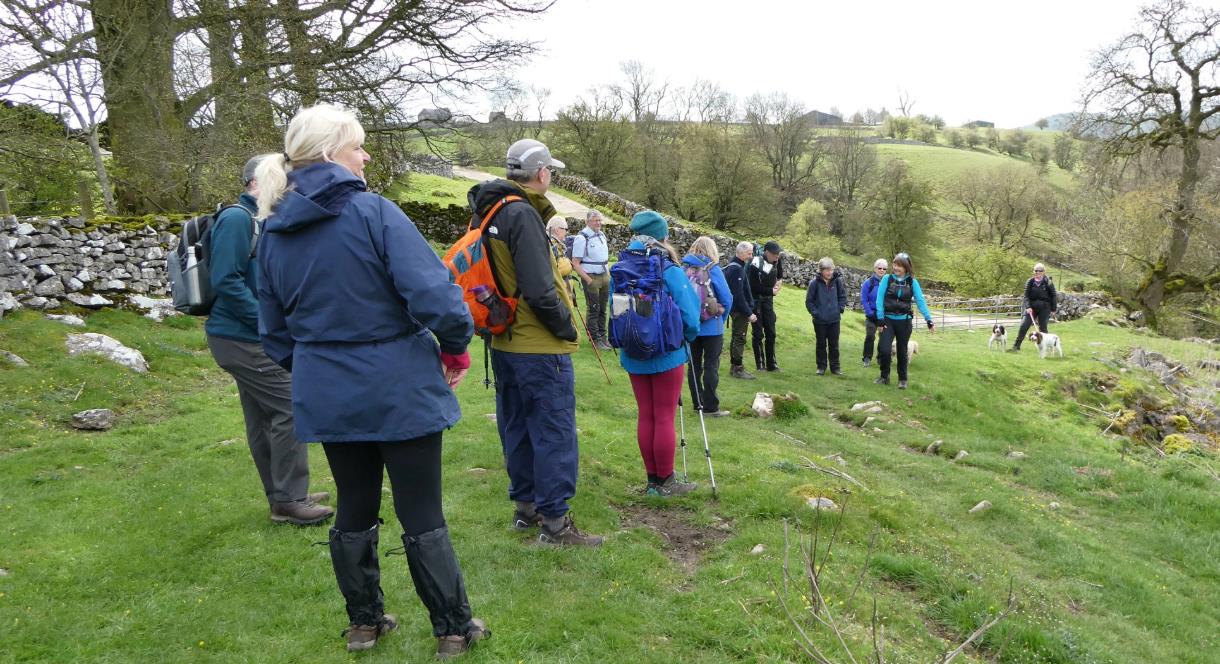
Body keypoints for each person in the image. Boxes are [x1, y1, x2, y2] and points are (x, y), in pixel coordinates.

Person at [253, 104, 488, 658]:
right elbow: (435, 296)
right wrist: (455, 346)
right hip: (397, 381)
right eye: (358, 146)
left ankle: (364, 624)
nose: (366, 156)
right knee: (420, 507)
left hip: (329, 386)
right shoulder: (373, 212)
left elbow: (274, 333)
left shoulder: (273, 232)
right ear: (333, 151)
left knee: (354, 503)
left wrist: (320, 368)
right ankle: (452, 628)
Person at [469, 138, 603, 547]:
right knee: (553, 431)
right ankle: (556, 523)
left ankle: (526, 510)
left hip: (504, 341)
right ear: (542, 173)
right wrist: (565, 326)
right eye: (551, 171)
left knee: (518, 427)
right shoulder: (521, 214)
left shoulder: (488, 209)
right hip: (537, 345)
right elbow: (539, 288)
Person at [204, 156, 333, 527]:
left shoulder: (256, 219)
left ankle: (283, 495)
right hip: (241, 339)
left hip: (241, 337)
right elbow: (225, 280)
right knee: (290, 406)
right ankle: (290, 500)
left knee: (262, 418)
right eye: (283, 179)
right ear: (260, 181)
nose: (290, 187)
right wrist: (267, 321)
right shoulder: (236, 219)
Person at [615, 211, 702, 496]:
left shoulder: (622, 266)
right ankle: (666, 482)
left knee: (646, 415)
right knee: (664, 416)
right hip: (667, 352)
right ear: (662, 236)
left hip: (633, 352)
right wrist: (686, 339)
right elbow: (690, 316)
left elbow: (615, 310)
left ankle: (652, 480)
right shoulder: (669, 269)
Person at [681, 236, 733, 417]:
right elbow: (727, 297)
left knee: (694, 365)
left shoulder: (684, 268)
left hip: (690, 326)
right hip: (712, 326)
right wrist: (721, 317)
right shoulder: (713, 269)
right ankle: (711, 407)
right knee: (711, 365)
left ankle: (698, 404)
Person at [872, 252, 935, 389]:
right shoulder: (887, 279)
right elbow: (879, 299)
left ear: (906, 267)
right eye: (894, 264)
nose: (895, 268)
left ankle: (902, 379)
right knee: (884, 349)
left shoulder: (913, 282)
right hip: (887, 320)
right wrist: (880, 318)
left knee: (902, 350)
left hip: (904, 322)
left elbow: (920, 301)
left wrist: (928, 320)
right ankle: (884, 376)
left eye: (899, 265)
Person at [571, 209, 612, 350]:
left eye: (600, 220)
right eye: (596, 220)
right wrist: (588, 280)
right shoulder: (582, 238)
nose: (599, 223)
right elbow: (575, 263)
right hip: (591, 277)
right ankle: (595, 338)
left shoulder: (601, 235)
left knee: (603, 308)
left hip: (604, 276)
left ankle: (603, 337)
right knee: (594, 308)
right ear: (588, 221)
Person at [804, 257, 847, 376]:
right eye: (826, 270)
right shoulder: (814, 283)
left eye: (831, 270)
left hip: (834, 319)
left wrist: (840, 309)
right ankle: (821, 367)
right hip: (820, 321)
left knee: (834, 344)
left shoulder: (837, 281)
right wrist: (816, 313)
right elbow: (809, 302)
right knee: (821, 344)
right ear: (821, 270)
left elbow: (842, 297)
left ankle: (835, 368)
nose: (829, 272)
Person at [747, 240, 784, 372]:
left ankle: (772, 364)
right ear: (766, 252)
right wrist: (770, 291)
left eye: (778, 254)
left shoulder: (777, 261)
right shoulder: (756, 263)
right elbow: (753, 286)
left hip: (768, 302)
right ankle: (760, 364)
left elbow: (779, 276)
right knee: (758, 334)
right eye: (774, 254)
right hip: (756, 302)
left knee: (771, 333)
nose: (777, 256)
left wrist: (778, 284)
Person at [724, 242, 757, 380]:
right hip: (739, 310)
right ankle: (737, 368)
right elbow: (737, 295)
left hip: (737, 309)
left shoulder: (736, 266)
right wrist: (748, 312)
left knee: (737, 336)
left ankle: (735, 367)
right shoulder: (737, 269)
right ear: (741, 252)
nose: (751, 256)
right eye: (749, 253)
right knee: (740, 337)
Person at [1010, 262, 1057, 352]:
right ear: (1033, 271)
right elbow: (1026, 295)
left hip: (1044, 308)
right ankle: (1016, 346)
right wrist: (1027, 307)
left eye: (1040, 271)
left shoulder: (1048, 282)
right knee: (1024, 325)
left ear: (1044, 272)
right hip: (1031, 308)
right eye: (1036, 271)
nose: (1038, 272)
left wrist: (1053, 309)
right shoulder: (1030, 282)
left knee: (1043, 328)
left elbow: (1053, 296)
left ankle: (1044, 348)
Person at [860, 258, 887, 368]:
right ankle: (867, 358)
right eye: (879, 268)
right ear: (875, 268)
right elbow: (863, 299)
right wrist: (869, 312)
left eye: (884, 268)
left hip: (884, 315)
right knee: (870, 336)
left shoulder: (888, 283)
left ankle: (881, 358)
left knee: (884, 337)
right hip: (871, 314)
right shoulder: (868, 283)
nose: (881, 270)